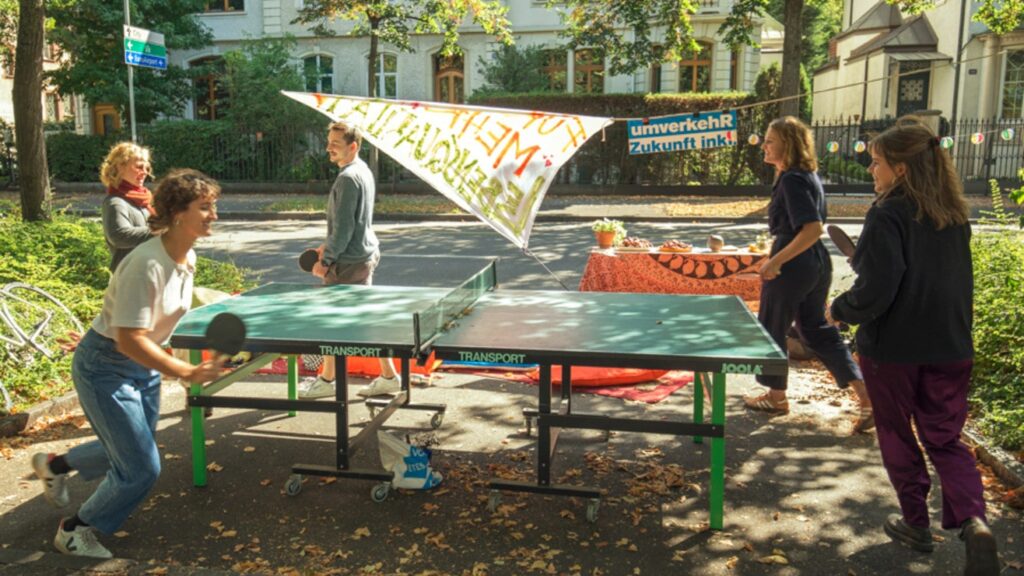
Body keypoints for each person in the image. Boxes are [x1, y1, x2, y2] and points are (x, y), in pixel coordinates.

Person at [830, 119, 998, 574]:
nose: (871, 168)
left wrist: (841, 309)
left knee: (897, 433)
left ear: (901, 169)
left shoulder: (888, 213)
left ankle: (916, 523)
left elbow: (879, 287)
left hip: (894, 350)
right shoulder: (955, 215)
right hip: (951, 345)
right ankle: (974, 522)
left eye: (878, 161)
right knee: (945, 439)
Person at [31, 169, 225, 558]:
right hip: (105, 367)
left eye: (213, 206)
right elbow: (128, 337)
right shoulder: (145, 264)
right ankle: (75, 530)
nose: (214, 214)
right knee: (141, 468)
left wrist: (169, 354)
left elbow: (156, 322)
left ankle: (54, 464)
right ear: (176, 213)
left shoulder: (188, 256)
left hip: (141, 367)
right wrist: (184, 372)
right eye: (204, 207)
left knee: (131, 448)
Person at [743, 116, 872, 432]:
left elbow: (812, 228)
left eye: (771, 140)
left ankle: (776, 396)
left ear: (786, 144)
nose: (765, 145)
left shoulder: (792, 180)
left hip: (795, 263)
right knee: (817, 328)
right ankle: (867, 398)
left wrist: (776, 261)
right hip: (815, 262)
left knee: (772, 326)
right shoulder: (805, 175)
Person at [298, 121, 401, 399]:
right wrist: (327, 245)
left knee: (336, 323)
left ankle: (328, 380)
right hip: (363, 253)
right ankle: (386, 376)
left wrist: (325, 261)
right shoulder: (362, 170)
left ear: (353, 147)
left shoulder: (347, 178)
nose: (328, 148)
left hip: (349, 261)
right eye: (329, 141)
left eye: (335, 144)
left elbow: (344, 229)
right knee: (352, 319)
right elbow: (352, 223)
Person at [99, 142, 155, 271]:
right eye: (139, 167)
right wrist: (162, 230)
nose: (145, 172)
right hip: (130, 277)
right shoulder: (116, 202)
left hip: (145, 274)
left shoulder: (144, 199)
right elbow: (119, 236)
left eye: (147, 168)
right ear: (120, 167)